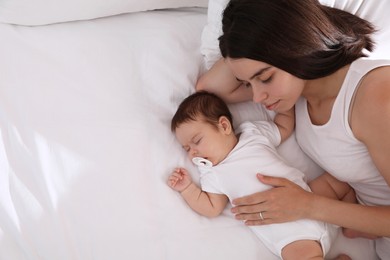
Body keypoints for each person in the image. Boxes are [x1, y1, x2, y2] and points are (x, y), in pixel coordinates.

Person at [196, 0, 390, 258]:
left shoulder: (375, 96)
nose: (257, 97)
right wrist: (239, 37)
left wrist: (309, 206)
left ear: (296, 47)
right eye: (247, 83)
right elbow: (210, 88)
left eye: (265, 78)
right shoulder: (301, 93)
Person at [167, 91, 336, 260]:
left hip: (312, 196)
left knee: (338, 181)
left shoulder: (253, 133)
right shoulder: (212, 172)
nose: (193, 153)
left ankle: (349, 226)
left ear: (224, 126)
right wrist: (187, 188)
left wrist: (285, 104)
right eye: (187, 149)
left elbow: (283, 127)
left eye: (196, 141)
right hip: (289, 232)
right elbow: (212, 207)